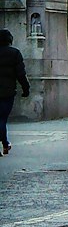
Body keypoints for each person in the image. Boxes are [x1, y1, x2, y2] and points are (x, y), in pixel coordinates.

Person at [0, 28, 30, 157]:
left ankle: (5, 143)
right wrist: (26, 89)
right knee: (2, 119)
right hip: (7, 92)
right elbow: (21, 74)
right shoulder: (15, 53)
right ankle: (5, 144)